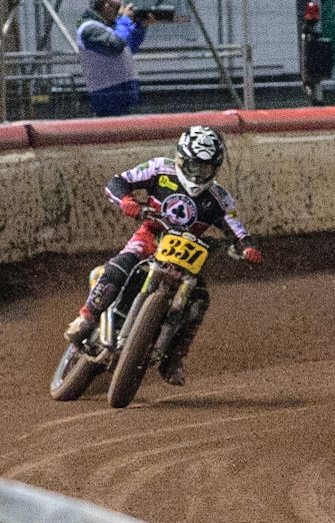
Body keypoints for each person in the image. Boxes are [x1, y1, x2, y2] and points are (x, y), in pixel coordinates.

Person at [64, 125, 264, 386]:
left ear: (215, 168)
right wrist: (126, 201)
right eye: (194, 166)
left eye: (205, 168)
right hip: (150, 237)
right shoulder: (159, 169)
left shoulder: (219, 198)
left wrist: (247, 247)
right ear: (181, 158)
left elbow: (236, 228)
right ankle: (86, 318)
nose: (198, 173)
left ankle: (174, 358)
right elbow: (117, 181)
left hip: (187, 257)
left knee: (199, 301)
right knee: (119, 267)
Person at [76, 0, 150, 117]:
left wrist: (140, 27)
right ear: (106, 5)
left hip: (123, 93)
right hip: (108, 95)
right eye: (117, 8)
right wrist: (124, 20)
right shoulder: (89, 28)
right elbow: (117, 45)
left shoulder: (108, 28)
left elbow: (128, 48)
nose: (119, 12)